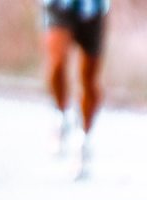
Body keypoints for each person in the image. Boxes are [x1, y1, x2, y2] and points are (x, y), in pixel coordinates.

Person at [42, 0, 110, 178]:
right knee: (56, 64)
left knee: (89, 78)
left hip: (93, 9)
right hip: (59, 5)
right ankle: (61, 115)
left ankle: (83, 140)